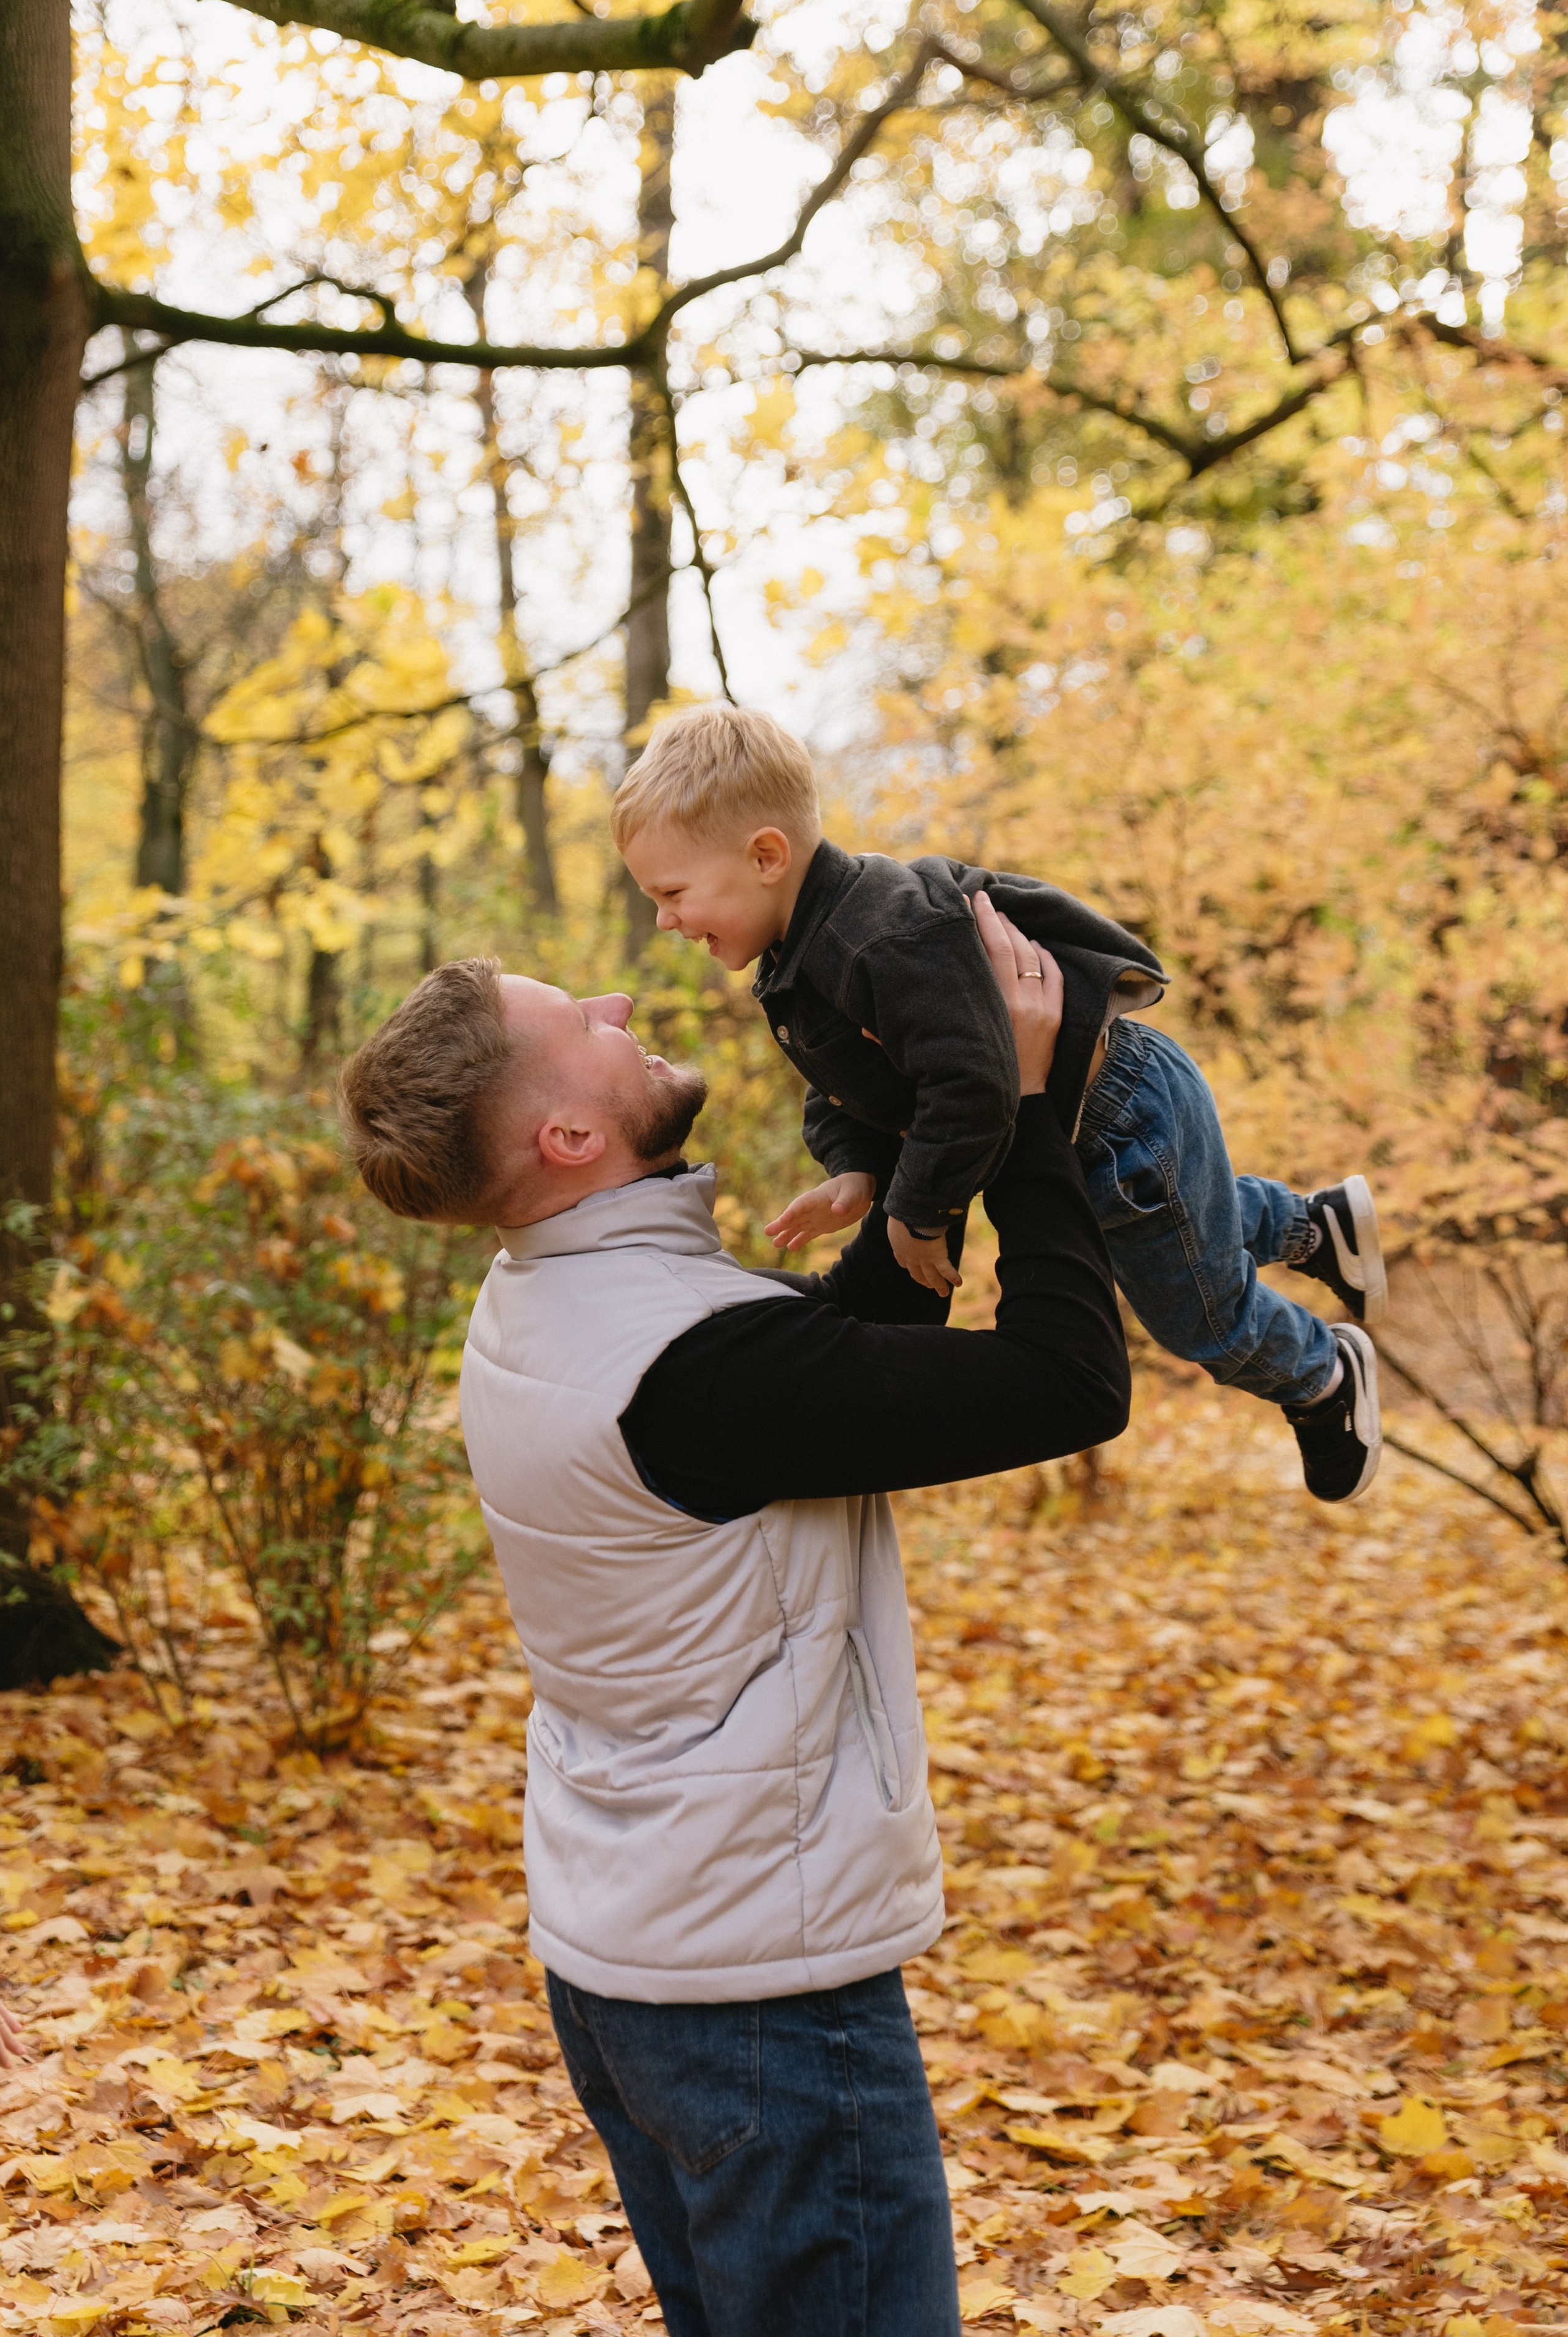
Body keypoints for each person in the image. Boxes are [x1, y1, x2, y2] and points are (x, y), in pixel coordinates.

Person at [337, 898, 1130, 2337]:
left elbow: (827, 1368)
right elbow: (1069, 1380)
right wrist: (1022, 1108)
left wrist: (930, 1149)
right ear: (567, 1136)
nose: (619, 1006)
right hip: (761, 2005)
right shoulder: (684, 1363)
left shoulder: (549, 1300)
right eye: (579, 1022)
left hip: (636, 1956)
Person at [613, 702, 1387, 1507]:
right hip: (1099, 1116)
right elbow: (854, 1078)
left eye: (673, 893)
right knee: (1182, 1236)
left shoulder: (876, 937)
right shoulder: (811, 951)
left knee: (1200, 1314)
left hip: (1119, 1114)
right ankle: (1314, 1226)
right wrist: (858, 1168)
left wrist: (918, 1213)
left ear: (766, 856)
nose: (665, 919)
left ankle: (1324, 1375)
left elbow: (975, 1082)